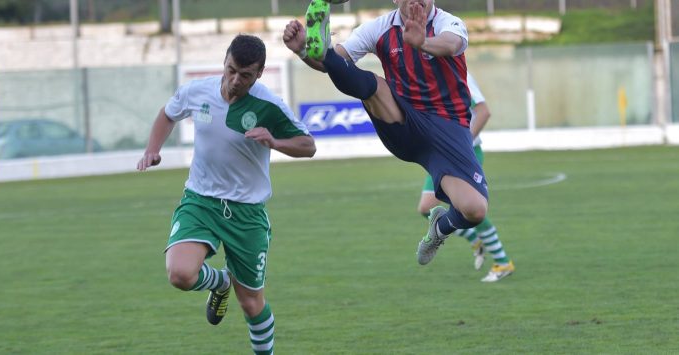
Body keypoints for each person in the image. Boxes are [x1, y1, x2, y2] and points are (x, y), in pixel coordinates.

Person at [136, 34, 316, 355]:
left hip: (246, 213)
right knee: (179, 274)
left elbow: (308, 145)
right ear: (225, 61)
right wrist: (152, 150)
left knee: (251, 303)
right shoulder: (198, 91)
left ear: (259, 74)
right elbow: (167, 114)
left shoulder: (269, 106)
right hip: (200, 201)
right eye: (231, 70)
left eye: (245, 75)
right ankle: (220, 283)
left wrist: (276, 142)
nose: (235, 80)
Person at [283, 0, 487, 265]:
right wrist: (304, 52)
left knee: (475, 210)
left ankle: (439, 228)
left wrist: (422, 42)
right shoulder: (379, 29)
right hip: (403, 121)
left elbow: (451, 44)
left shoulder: (449, 24)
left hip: (449, 129)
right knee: (374, 85)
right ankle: (322, 46)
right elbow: (332, 66)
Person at [417, 72, 515, 282]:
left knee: (470, 208)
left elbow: (483, 112)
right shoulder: (424, 74)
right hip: (441, 156)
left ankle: (502, 262)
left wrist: (461, 145)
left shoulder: (456, 73)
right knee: (426, 208)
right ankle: (475, 240)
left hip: (463, 155)